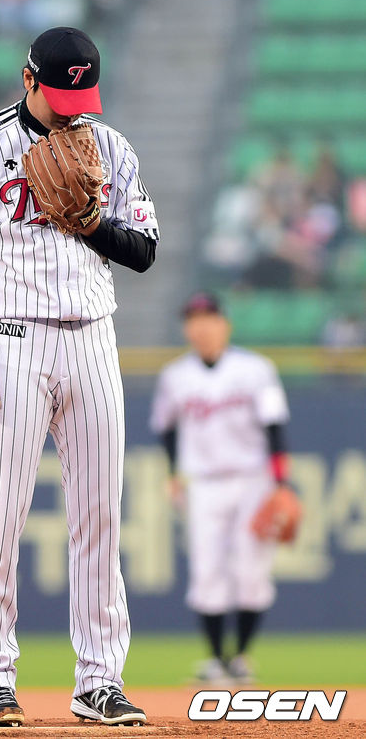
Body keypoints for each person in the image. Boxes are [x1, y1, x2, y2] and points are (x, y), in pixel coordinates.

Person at [0, 27, 159, 726]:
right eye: (61, 94)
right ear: (29, 79)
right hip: (11, 339)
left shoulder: (110, 146)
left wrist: (90, 224)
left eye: (81, 96)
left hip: (92, 337)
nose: (72, 109)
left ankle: (100, 680)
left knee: (100, 517)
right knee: (2, 518)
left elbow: (143, 250)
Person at [149, 293, 290, 684]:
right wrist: (173, 473)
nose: (202, 326)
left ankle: (240, 657)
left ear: (225, 324)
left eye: (209, 318)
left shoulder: (257, 369)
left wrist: (281, 484)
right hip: (204, 484)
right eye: (193, 319)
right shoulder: (175, 376)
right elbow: (167, 429)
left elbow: (275, 427)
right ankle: (215, 659)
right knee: (206, 572)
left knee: (251, 571)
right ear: (186, 328)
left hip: (253, 481)